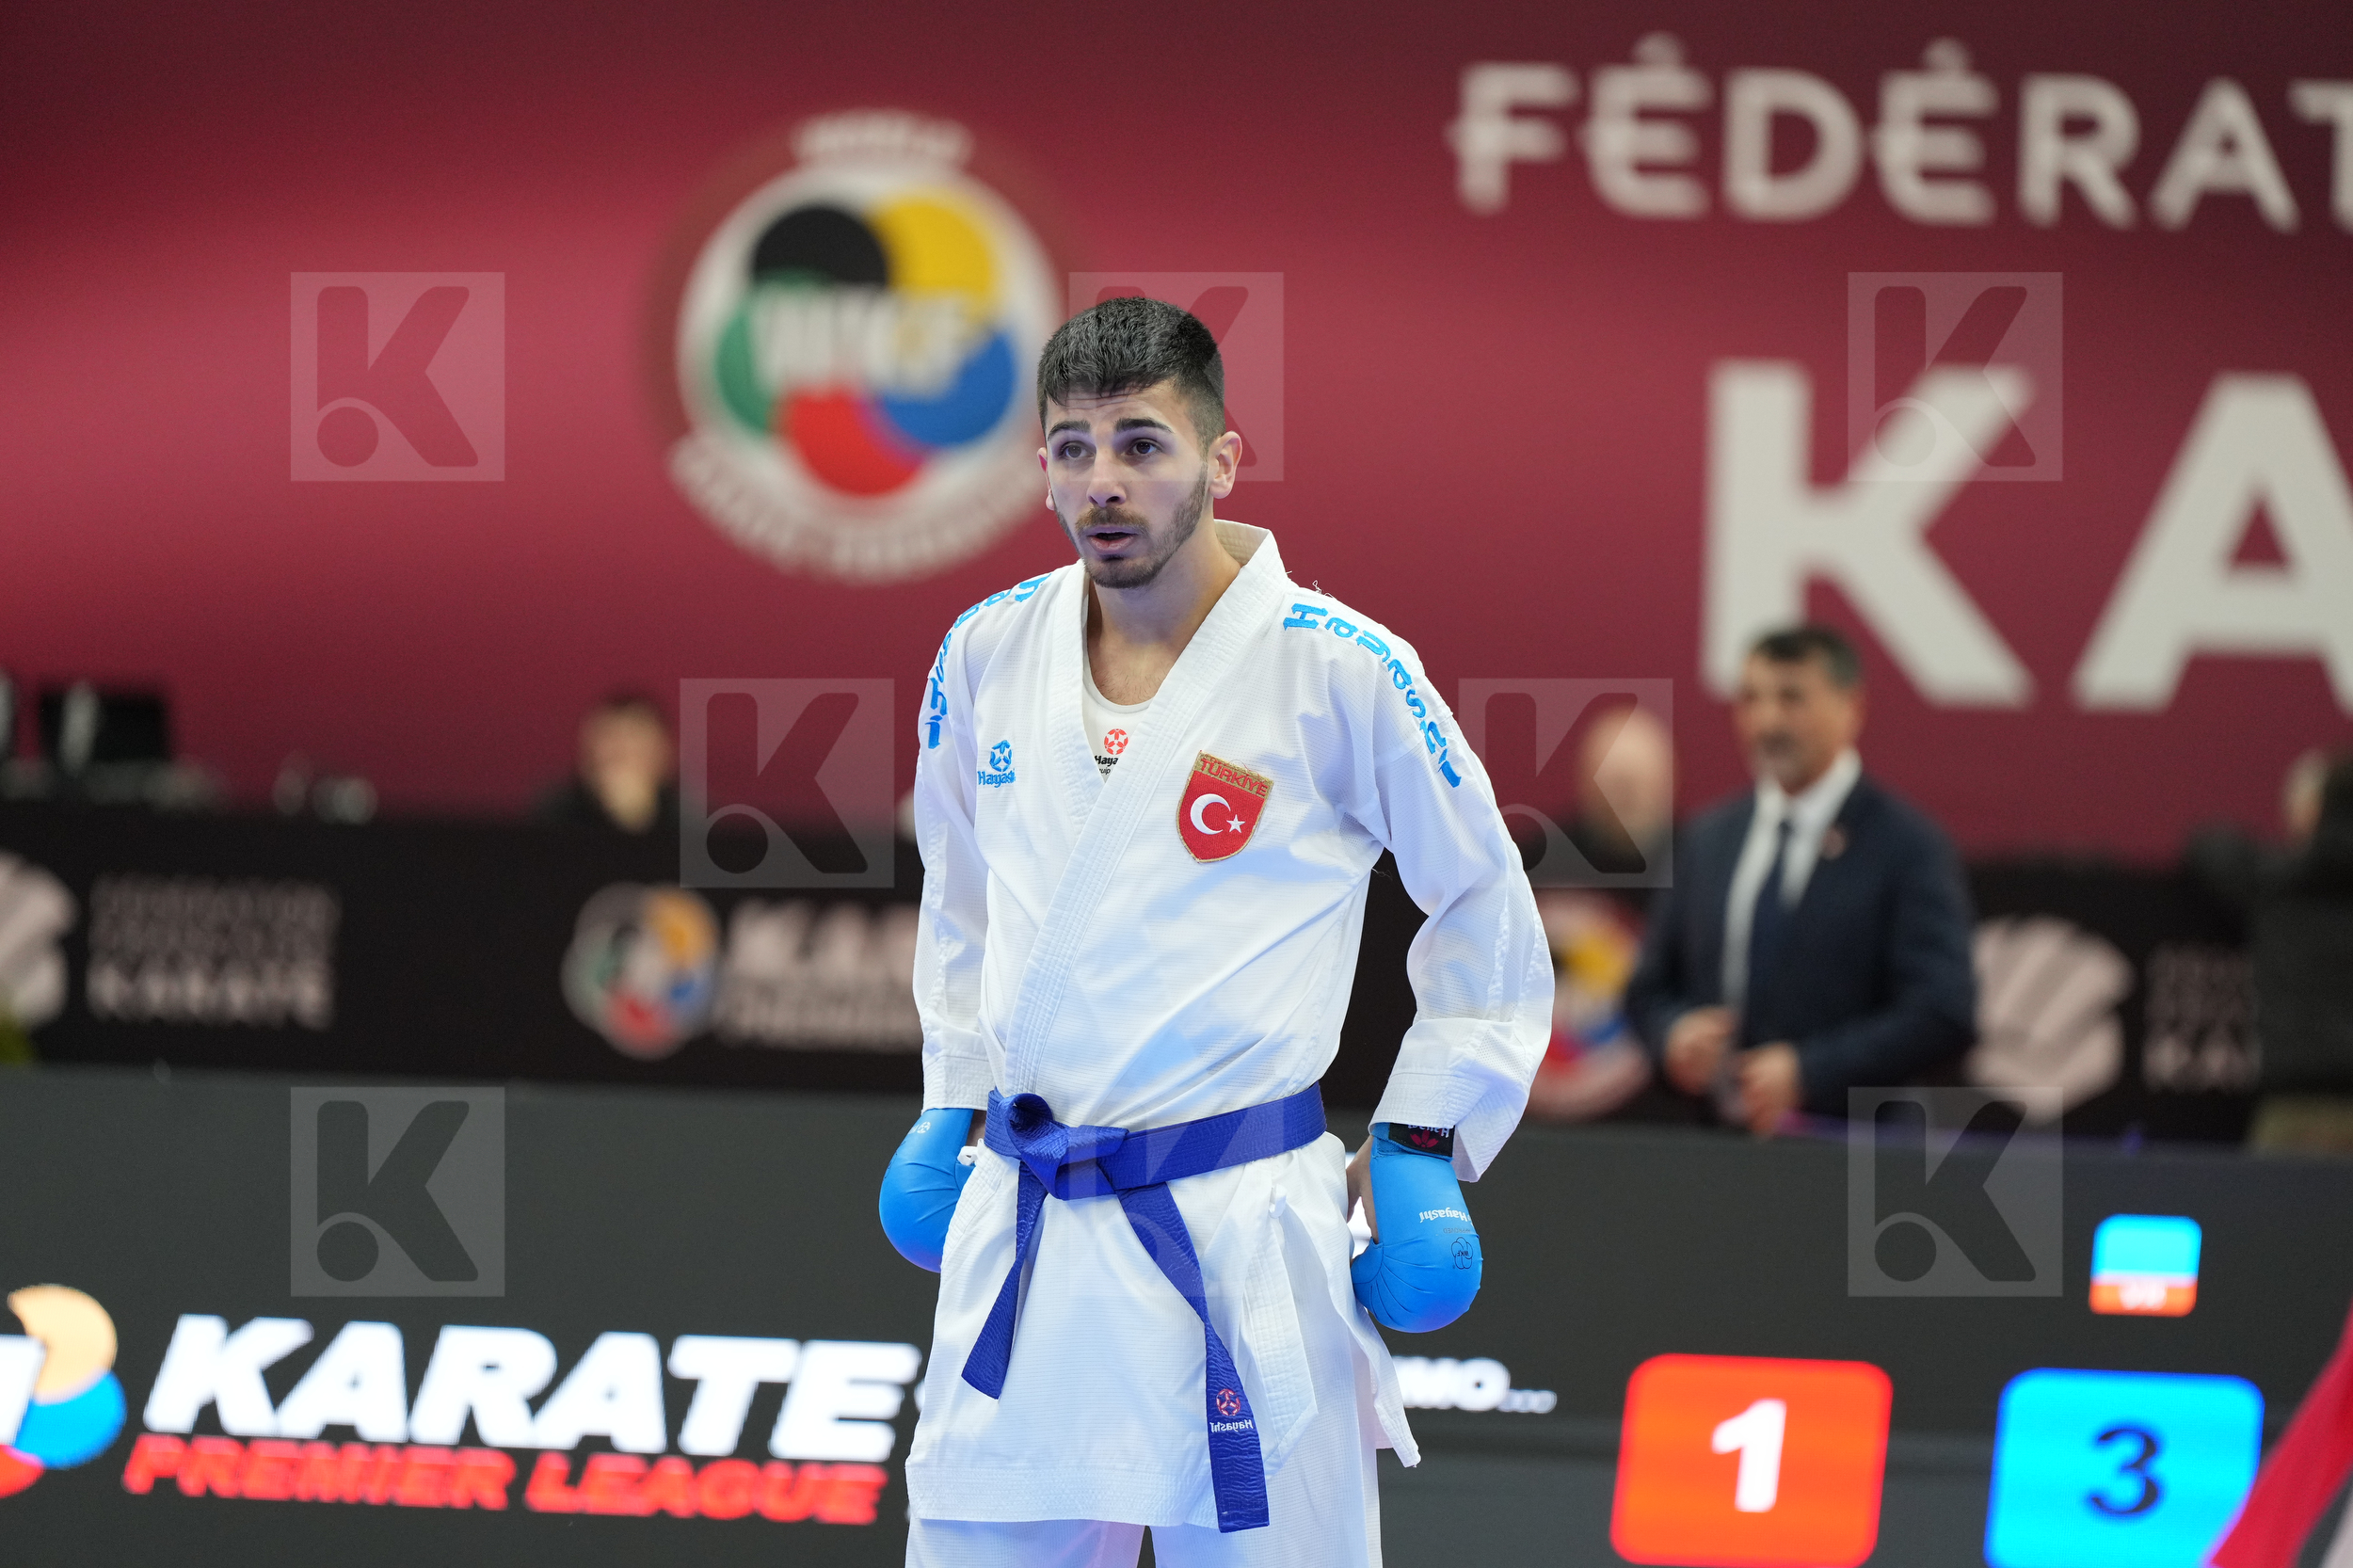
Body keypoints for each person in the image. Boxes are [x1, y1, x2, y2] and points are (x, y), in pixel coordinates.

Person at [876, 296, 1551, 1567]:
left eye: (1142, 443)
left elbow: (1484, 899)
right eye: (1072, 450)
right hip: (1030, 1230)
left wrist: (1418, 1137)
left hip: (1243, 1235)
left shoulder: (1342, 668)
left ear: (1222, 458)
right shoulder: (984, 653)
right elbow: (958, 892)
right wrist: (951, 1092)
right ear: (1040, 470)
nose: (1104, 484)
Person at [1625, 626, 1976, 1134]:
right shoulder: (1709, 839)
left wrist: (1811, 1071)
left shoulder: (1907, 846)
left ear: (1851, 708)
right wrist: (1674, 1034)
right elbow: (1648, 989)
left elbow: (1942, 1010)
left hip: (1848, 1156)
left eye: (1792, 698)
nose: (1767, 721)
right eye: (1751, 699)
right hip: (1711, 1151)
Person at [2191, 752, 2353, 1154]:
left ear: (2312, 812)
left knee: (2278, 1216)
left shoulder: (2276, 884)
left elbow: (2206, 846)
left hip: (2294, 1110)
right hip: (2294, 1102)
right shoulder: (2277, 883)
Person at [534, 692, 679, 834]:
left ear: (663, 753)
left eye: (634, 741)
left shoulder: (688, 825)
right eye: (609, 739)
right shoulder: (551, 818)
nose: (620, 752)